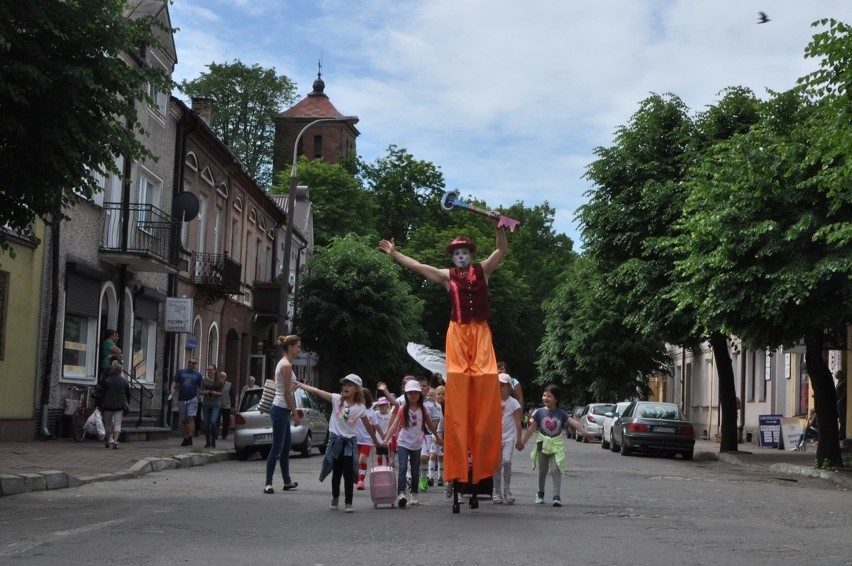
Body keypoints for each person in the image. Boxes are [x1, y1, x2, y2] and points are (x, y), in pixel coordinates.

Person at [380, 225, 508, 492]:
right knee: (459, 377)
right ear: (453, 257)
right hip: (459, 332)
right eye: (457, 253)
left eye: (464, 252)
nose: (461, 256)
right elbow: (418, 266)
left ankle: (483, 436)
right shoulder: (446, 277)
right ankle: (459, 438)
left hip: (480, 330)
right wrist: (395, 254)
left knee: (485, 375)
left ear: (470, 255)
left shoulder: (483, 270)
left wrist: (499, 229)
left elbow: (502, 250)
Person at [298, 374, 380, 512]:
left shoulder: (360, 408)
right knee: (336, 472)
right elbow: (317, 391)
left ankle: (349, 502)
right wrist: (301, 385)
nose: (346, 387)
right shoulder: (337, 399)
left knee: (348, 473)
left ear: (356, 389)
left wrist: (376, 441)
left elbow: (368, 425)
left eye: (350, 385)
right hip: (335, 440)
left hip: (350, 443)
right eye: (345, 384)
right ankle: (335, 498)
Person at [382, 380, 442, 508]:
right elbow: (394, 424)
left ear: (420, 394)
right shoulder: (403, 408)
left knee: (415, 470)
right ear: (406, 394)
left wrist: (437, 436)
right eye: (410, 393)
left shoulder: (423, 409)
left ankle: (414, 494)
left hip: (417, 443)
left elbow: (430, 424)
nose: (413, 395)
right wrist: (386, 439)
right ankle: (401, 494)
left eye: (415, 393)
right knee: (403, 467)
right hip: (403, 441)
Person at [519, 384, 570, 507]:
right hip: (542, 443)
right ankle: (540, 493)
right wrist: (522, 442)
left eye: (549, 396)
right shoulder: (539, 412)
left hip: (556, 445)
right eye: (544, 395)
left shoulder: (561, 413)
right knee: (542, 471)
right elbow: (531, 429)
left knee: (555, 470)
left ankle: (556, 496)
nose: (545, 398)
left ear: (556, 399)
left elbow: (573, 422)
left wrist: (585, 432)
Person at [264, 335, 303, 495]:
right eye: (298, 346)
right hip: (280, 408)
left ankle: (287, 481)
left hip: (282, 409)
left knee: (286, 447)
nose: (299, 349)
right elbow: (286, 393)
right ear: (290, 347)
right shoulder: (286, 365)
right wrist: (295, 413)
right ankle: (268, 483)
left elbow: (286, 389)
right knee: (277, 447)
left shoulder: (285, 363)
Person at [493, 373, 522, 504]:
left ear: (509, 387)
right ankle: (497, 492)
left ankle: (507, 491)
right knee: (496, 465)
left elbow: (518, 422)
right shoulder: (492, 401)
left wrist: (519, 440)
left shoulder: (513, 403)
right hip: (495, 438)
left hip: (508, 438)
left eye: (503, 385)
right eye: (498, 385)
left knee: (507, 461)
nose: (500, 388)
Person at [98, 358, 131, 449]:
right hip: (119, 406)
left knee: (107, 424)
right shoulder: (124, 381)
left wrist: (100, 405)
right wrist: (127, 404)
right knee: (117, 423)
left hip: (108, 405)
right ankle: (115, 441)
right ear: (120, 371)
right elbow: (128, 395)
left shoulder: (107, 381)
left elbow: (103, 394)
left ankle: (107, 441)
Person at [170, 358, 203, 447]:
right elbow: (174, 381)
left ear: (196, 365)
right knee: (184, 420)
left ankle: (190, 437)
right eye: (190, 362)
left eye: (193, 363)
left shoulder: (198, 375)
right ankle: (185, 438)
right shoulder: (181, 372)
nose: (191, 364)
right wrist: (171, 389)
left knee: (191, 417)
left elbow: (201, 386)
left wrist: (199, 395)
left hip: (193, 399)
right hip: (182, 399)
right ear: (188, 363)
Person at [355, 388, 378, 490]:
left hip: (366, 441)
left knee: (362, 459)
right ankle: (355, 476)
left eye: (362, 397)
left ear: (366, 399)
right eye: (358, 397)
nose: (360, 399)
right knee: (354, 461)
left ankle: (361, 480)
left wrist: (383, 436)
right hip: (354, 439)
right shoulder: (354, 409)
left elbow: (376, 426)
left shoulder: (371, 412)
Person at [200, 365, 223, 448]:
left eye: (211, 369)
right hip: (206, 404)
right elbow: (200, 391)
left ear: (215, 371)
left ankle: (213, 440)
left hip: (215, 405)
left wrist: (216, 393)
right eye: (208, 369)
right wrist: (205, 392)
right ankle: (207, 442)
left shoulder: (219, 381)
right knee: (206, 424)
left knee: (213, 422)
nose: (209, 371)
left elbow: (222, 393)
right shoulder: (204, 381)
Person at [373, 396, 392, 465]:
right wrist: (375, 403)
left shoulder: (390, 414)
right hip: (378, 435)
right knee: (379, 453)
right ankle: (380, 466)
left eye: (384, 405)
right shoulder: (376, 413)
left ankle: (387, 464)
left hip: (387, 435)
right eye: (380, 405)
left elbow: (394, 412)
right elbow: (368, 410)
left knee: (387, 453)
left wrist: (389, 406)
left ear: (387, 405)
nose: (382, 407)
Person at [219, 372, 233, 440]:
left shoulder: (229, 385)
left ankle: (224, 435)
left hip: (227, 405)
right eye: (221, 376)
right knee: (216, 420)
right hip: (218, 405)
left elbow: (232, 395)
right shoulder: (217, 384)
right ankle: (215, 434)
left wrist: (233, 405)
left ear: (225, 377)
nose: (222, 377)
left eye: (223, 376)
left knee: (226, 421)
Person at [836, 370, 847, 440]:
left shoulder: (844, 382)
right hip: (837, 402)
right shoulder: (839, 382)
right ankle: (839, 433)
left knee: (842, 419)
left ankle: (842, 434)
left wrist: (840, 400)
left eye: (837, 374)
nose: (836, 375)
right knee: (840, 419)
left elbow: (845, 392)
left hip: (841, 403)